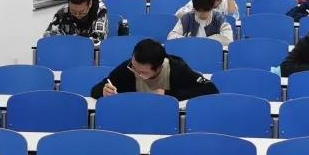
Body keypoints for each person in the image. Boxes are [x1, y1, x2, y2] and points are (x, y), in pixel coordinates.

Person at [91, 38, 219, 100]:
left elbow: (210, 89)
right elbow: (95, 90)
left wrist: (169, 95)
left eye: (143, 73)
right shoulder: (128, 68)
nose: (136, 74)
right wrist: (103, 91)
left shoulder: (176, 68)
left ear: (159, 68)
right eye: (134, 67)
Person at [43, 0, 109, 43]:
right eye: (73, 11)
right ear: (69, 4)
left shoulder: (100, 10)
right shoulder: (63, 12)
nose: (77, 15)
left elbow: (99, 38)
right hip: (67, 49)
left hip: (90, 50)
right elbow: (48, 35)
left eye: (81, 12)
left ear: (90, 4)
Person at [168, 0, 234, 45]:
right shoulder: (187, 18)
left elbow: (228, 39)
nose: (202, 14)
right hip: (190, 50)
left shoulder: (219, 18)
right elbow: (171, 37)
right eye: (199, 11)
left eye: (206, 11)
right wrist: (190, 40)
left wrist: (205, 41)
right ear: (194, 8)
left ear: (212, 7)